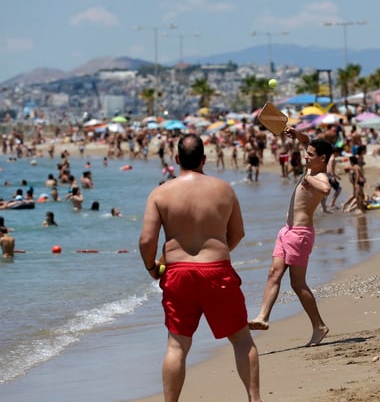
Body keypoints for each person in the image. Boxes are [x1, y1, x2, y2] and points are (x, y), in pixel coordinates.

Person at [138, 133, 261, 402]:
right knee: (241, 339)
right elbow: (238, 233)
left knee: (177, 344)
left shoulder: (160, 193)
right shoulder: (223, 189)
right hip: (217, 269)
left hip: (177, 273)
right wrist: (217, 253)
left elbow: (147, 240)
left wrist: (151, 266)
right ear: (204, 159)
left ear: (176, 159)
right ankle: (254, 399)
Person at [249, 127, 331, 347]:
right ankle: (262, 317)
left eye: (311, 155)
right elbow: (306, 141)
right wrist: (296, 134)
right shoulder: (311, 166)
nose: (306, 155)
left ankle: (319, 326)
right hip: (286, 231)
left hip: (301, 235)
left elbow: (326, 188)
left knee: (297, 283)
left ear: (322, 159)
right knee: (273, 273)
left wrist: (309, 180)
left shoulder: (319, 174)